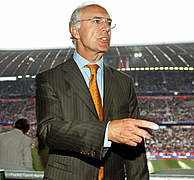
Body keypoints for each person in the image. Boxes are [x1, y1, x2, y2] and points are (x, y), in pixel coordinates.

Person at [35, 3, 159, 180]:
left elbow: (134, 143)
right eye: (96, 21)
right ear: (75, 31)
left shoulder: (124, 82)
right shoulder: (50, 79)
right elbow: (48, 130)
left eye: (109, 23)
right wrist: (106, 132)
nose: (106, 28)